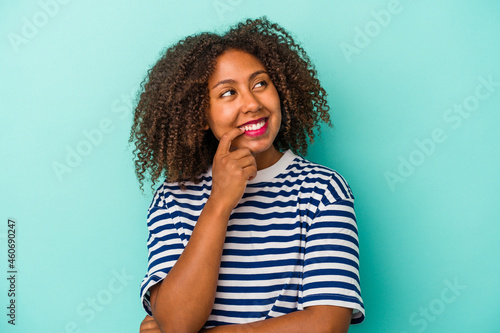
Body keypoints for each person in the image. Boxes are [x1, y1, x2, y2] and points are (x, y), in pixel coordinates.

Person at [130, 17, 365, 332]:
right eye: (228, 93)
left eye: (260, 84)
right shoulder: (174, 199)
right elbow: (178, 322)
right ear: (200, 115)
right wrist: (219, 203)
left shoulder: (323, 191)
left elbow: (327, 324)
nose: (252, 103)